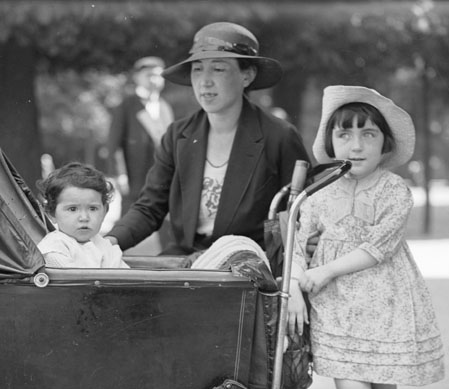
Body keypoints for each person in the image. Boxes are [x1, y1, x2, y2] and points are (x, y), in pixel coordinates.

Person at [287, 86, 445, 389]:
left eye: (369, 135)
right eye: (345, 135)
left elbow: (379, 247)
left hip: (385, 301)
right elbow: (295, 244)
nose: (355, 146)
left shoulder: (394, 191)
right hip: (337, 309)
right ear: (331, 141)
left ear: (385, 145)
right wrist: (298, 286)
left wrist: (326, 270)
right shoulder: (319, 193)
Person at [105, 22, 310, 256]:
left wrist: (283, 246)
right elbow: (149, 207)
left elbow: (299, 211)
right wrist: (108, 242)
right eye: (198, 69)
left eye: (219, 69)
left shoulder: (279, 137)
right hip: (183, 262)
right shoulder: (178, 135)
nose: (205, 81)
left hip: (245, 267)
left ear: (247, 75)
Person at [106, 56, 175, 217]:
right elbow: (113, 145)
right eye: (148, 75)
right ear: (137, 78)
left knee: (169, 232)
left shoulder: (165, 107)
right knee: (128, 228)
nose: (154, 80)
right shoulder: (126, 106)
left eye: (158, 75)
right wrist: (120, 175)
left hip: (163, 181)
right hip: (134, 181)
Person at [37, 162, 129, 268]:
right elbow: (75, 281)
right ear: (52, 214)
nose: (84, 218)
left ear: (104, 212)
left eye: (92, 208)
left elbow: (127, 277)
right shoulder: (53, 249)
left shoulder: (104, 245)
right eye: (72, 209)